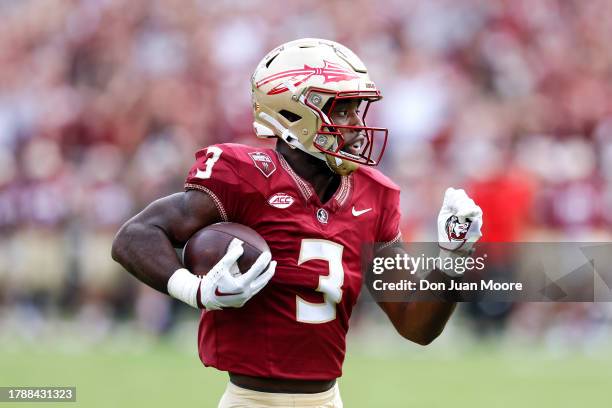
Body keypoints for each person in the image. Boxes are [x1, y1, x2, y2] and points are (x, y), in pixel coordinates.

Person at [111, 38, 483, 408]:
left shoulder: (375, 195)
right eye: (341, 111)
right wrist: (196, 291)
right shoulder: (244, 177)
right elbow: (134, 237)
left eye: (358, 110)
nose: (357, 125)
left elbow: (415, 324)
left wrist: (453, 256)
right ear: (293, 113)